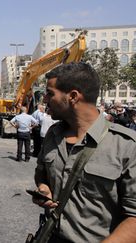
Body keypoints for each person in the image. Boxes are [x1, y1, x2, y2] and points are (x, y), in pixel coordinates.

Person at [33, 62, 136, 242]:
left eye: (50, 94)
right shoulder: (53, 134)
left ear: (73, 96)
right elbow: (41, 174)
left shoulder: (126, 145)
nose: (45, 100)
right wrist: (43, 188)